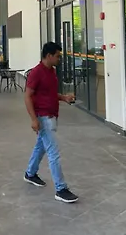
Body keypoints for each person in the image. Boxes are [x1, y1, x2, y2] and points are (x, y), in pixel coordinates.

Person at [24, 42, 78, 203]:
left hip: (52, 115)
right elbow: (27, 96)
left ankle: (30, 173)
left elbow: (50, 93)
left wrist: (64, 97)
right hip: (43, 117)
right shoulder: (36, 73)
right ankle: (61, 189)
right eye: (57, 56)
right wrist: (34, 119)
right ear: (49, 56)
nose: (59, 59)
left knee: (41, 147)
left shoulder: (51, 71)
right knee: (53, 152)